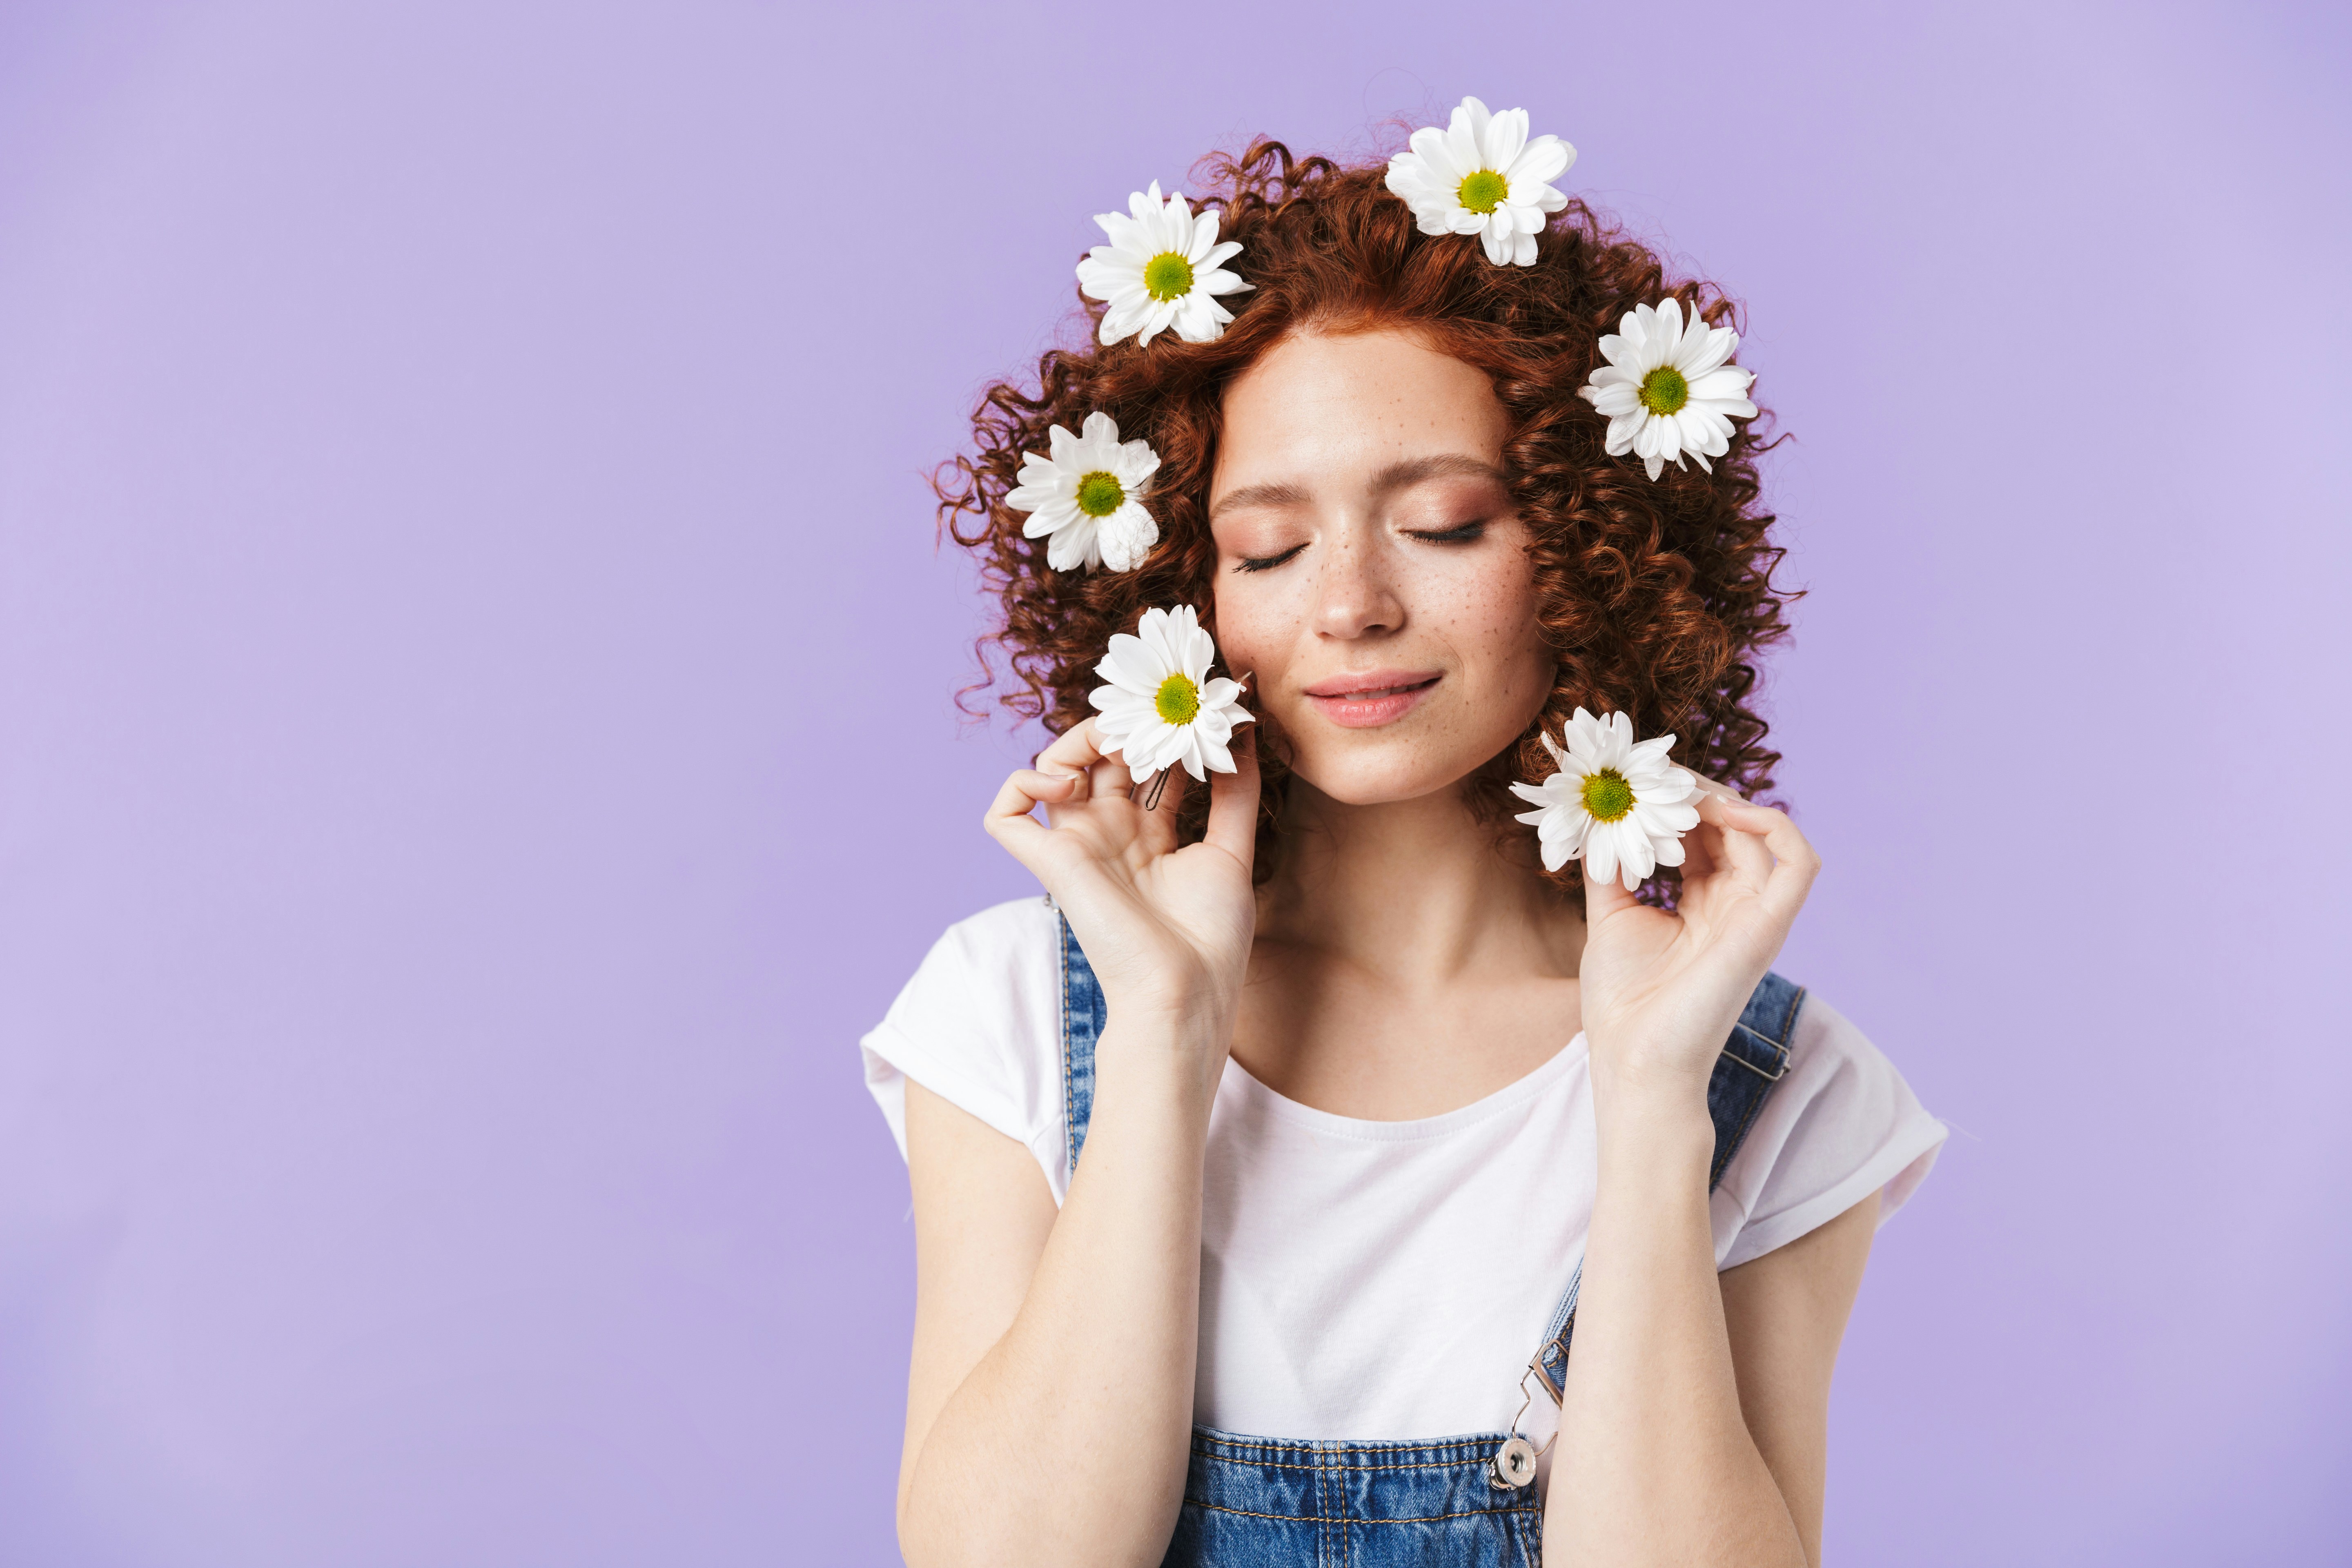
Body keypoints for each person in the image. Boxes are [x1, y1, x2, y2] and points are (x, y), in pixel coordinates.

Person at [860, 102, 1946, 1568]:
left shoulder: (1776, 1083)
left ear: (1590, 542)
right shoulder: (1009, 1022)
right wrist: (1165, 1031)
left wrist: (1646, 1099)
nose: (1352, 604)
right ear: (1186, 585)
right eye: (1268, 547)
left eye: (1442, 524)